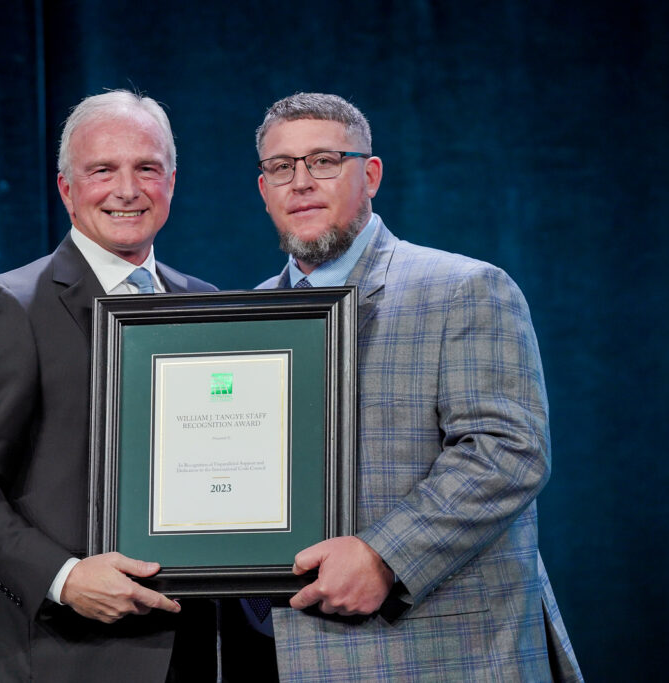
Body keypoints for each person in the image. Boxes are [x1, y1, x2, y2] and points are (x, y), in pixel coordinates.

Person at [249, 92, 583, 681]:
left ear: (370, 174)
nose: (301, 181)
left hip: (440, 652)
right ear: (264, 189)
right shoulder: (245, 316)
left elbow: (508, 453)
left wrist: (384, 556)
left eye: (324, 161)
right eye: (282, 167)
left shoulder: (465, 288)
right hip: (280, 652)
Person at [0, 90, 217, 682]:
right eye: (102, 170)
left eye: (147, 169)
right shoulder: (13, 307)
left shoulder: (205, 304)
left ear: (173, 181)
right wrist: (65, 578)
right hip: (66, 651)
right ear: (66, 189)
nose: (127, 189)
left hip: (198, 643)